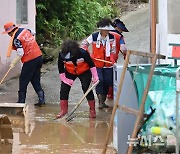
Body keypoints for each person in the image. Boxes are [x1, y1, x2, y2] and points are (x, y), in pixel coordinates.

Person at [2, 22, 45, 106]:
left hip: (30, 60)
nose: (8, 35)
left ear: (11, 31)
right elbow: (33, 32)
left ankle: (21, 103)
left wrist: (13, 63)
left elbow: (20, 53)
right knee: (35, 79)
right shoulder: (25, 30)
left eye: (8, 33)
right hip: (39, 57)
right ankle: (41, 100)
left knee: (23, 80)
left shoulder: (16, 39)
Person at [57, 40, 99, 119]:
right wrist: (64, 79)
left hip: (84, 71)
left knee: (86, 88)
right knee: (64, 89)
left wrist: (95, 76)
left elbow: (91, 64)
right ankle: (63, 111)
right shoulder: (62, 54)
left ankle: (92, 110)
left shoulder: (83, 53)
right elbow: (60, 67)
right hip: (70, 71)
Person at [81, 18, 116, 109]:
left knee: (108, 82)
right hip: (97, 64)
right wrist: (88, 55)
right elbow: (84, 45)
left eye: (108, 30)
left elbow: (113, 50)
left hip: (108, 64)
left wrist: (112, 58)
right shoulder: (94, 36)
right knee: (99, 81)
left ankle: (103, 101)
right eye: (105, 30)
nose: (107, 31)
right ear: (101, 29)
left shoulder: (112, 38)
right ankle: (100, 101)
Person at [107, 18, 129, 99]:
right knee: (111, 78)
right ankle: (110, 96)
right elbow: (123, 49)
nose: (122, 31)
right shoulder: (119, 36)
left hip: (101, 61)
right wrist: (125, 56)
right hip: (112, 61)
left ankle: (102, 99)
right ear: (117, 28)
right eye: (121, 29)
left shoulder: (104, 33)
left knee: (102, 80)